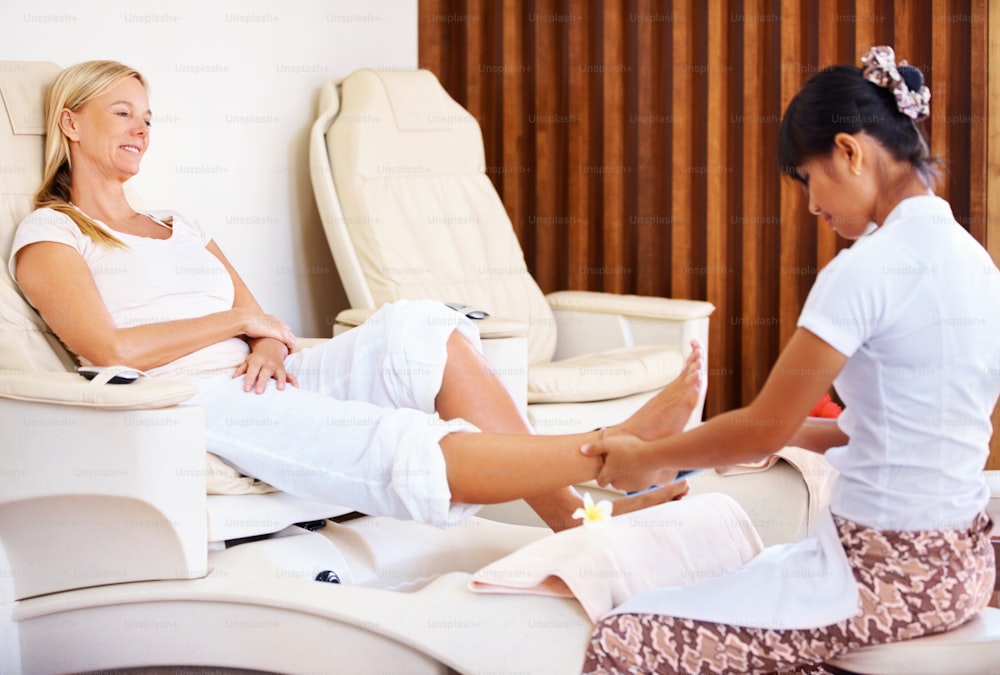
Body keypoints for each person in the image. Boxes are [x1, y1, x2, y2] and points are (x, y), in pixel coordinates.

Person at [8, 59, 702, 533]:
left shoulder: (178, 224)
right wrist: (242, 322)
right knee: (398, 441)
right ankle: (612, 451)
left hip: (264, 371)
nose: (141, 129)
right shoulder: (51, 233)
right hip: (190, 400)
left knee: (421, 331)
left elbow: (266, 323)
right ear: (70, 123)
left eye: (149, 117)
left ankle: (577, 523)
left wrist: (268, 339)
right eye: (123, 112)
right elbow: (108, 347)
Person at [580, 45, 1000, 673]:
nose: (811, 206)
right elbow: (891, 433)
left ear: (850, 152)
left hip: (882, 579)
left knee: (623, 635)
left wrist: (650, 458)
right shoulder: (976, 265)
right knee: (757, 589)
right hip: (960, 567)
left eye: (809, 179)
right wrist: (695, 439)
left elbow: (764, 427)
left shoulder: (866, 271)